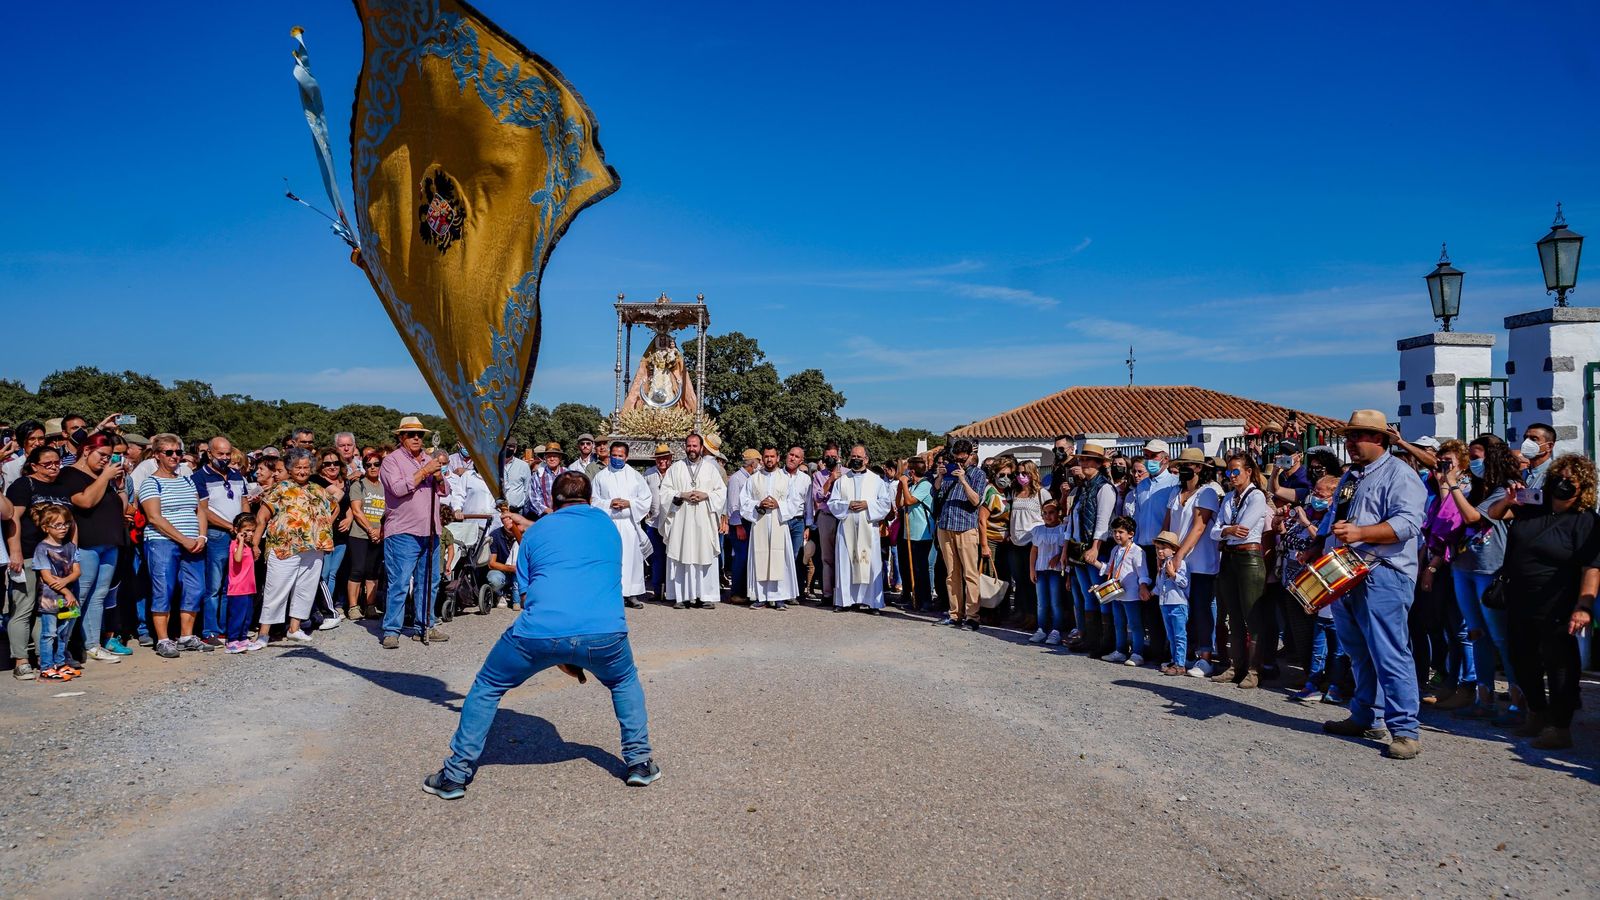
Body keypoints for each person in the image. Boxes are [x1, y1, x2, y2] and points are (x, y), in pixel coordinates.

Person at [424, 471, 659, 799]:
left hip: (538, 632)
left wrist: (526, 529)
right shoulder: (607, 525)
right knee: (623, 682)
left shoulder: (537, 533)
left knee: (488, 686)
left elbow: (524, 595)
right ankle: (639, 762)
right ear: (590, 500)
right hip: (604, 632)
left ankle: (455, 775)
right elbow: (574, 538)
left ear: (551, 501)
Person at [1318, 410, 1429, 760]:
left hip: (1383, 571)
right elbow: (1337, 518)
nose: (1350, 443)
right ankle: (1367, 714)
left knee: (1389, 650)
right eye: (1349, 437)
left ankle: (1405, 730)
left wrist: (1361, 533)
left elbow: (1409, 524)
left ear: (1379, 439)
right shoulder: (1353, 475)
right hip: (1346, 570)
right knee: (1357, 649)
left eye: (1358, 436)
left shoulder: (1401, 474)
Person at [1487, 453, 1599, 749]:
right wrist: (1509, 500)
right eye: (1558, 477)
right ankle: (1536, 712)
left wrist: (1584, 606)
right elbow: (1496, 514)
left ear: (1582, 486)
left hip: (1558, 603)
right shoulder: (1531, 507)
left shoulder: (1585, 520)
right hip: (1519, 597)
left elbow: (1592, 567)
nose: (1562, 483)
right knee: (1521, 659)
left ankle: (1560, 726)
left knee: (1560, 664)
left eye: (1570, 480)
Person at [1436, 433, 1525, 725]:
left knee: (1501, 636)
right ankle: (1483, 700)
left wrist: (1452, 486)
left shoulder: (1504, 490)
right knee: (1476, 634)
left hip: (1490, 568)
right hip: (1464, 566)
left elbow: (1474, 518)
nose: (1472, 462)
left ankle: (1517, 703)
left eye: (1476, 457)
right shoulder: (1471, 488)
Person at [136, 434, 212, 659]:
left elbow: (199, 511)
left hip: (193, 542)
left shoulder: (188, 479)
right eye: (168, 452)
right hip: (163, 542)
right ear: (157, 455)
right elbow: (154, 517)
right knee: (164, 588)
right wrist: (184, 539)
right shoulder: (151, 482)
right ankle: (163, 639)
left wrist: (202, 536)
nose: (174, 456)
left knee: (195, 587)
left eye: (178, 452)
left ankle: (186, 636)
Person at [379, 416, 452, 647]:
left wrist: (438, 477)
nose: (416, 438)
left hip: (430, 530)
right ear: (401, 437)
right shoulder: (391, 461)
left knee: (428, 582)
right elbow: (398, 489)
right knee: (399, 582)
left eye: (419, 434)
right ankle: (392, 630)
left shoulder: (428, 458)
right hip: (403, 531)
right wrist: (425, 471)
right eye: (411, 434)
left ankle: (425, 626)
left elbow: (445, 491)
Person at [251, 448, 334, 646]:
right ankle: (263, 634)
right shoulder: (280, 488)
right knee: (276, 589)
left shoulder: (318, 489)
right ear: (290, 468)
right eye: (298, 467)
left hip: (314, 547)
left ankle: (294, 628)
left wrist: (323, 527)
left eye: (306, 467)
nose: (303, 471)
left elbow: (335, 506)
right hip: (284, 547)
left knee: (306, 588)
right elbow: (262, 516)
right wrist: (255, 542)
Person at [59, 433, 129, 663]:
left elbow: (122, 508)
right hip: (86, 545)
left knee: (98, 596)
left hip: (110, 543)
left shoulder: (104, 477)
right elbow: (85, 501)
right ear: (87, 450)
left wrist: (118, 486)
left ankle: (92, 645)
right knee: (77, 596)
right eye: (102, 455)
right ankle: (62, 648)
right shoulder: (69, 474)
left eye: (109, 457)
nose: (105, 461)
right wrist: (105, 477)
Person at [1209, 452, 1270, 688]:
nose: (1231, 476)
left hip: (1248, 556)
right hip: (1230, 556)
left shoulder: (1256, 497)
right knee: (1232, 614)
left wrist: (1227, 530)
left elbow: (1244, 528)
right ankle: (1236, 665)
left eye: (1236, 471)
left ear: (1248, 472)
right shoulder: (1228, 499)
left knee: (1252, 614)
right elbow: (1215, 532)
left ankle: (1254, 670)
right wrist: (1227, 530)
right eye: (1228, 472)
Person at [1165, 447, 1222, 676]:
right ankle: (1185, 654)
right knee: (1182, 610)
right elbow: (1168, 524)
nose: (1182, 470)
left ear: (1199, 468)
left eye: (1187, 465)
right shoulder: (1175, 493)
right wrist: (1166, 549)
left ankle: (1206, 656)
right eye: (1180, 465)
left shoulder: (1206, 493)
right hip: (1177, 561)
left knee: (1201, 608)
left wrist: (1179, 555)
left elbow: (1199, 528)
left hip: (1200, 561)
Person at [658, 433, 726, 609]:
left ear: (701, 447)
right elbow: (664, 492)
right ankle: (682, 596)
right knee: (682, 553)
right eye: (689, 446)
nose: (691, 449)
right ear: (684, 447)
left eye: (695, 446)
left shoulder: (711, 469)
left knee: (704, 553)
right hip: (682, 518)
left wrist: (706, 495)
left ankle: (705, 596)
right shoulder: (676, 468)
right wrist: (682, 494)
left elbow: (721, 492)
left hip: (704, 518)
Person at [827, 444, 894, 613]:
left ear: (866, 459)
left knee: (869, 565)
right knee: (846, 563)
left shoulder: (876, 480)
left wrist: (867, 504)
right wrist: (847, 505)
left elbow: (885, 504)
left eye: (859, 457)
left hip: (868, 528)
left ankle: (871, 602)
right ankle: (845, 601)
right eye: (853, 456)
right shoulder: (842, 480)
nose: (856, 459)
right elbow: (832, 503)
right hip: (847, 528)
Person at [194, 436, 247, 646]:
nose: (224, 458)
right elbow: (203, 510)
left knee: (231, 584)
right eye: (220, 454)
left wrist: (245, 525)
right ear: (209, 454)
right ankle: (210, 630)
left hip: (237, 535)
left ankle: (226, 629)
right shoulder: (200, 477)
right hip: (217, 534)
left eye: (227, 454)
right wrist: (229, 526)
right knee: (213, 586)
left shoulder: (236, 474)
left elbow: (243, 501)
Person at [741, 445, 806, 609]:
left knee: (779, 559)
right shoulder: (753, 479)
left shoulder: (786, 479)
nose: (769, 459)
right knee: (760, 557)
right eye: (766, 456)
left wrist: (779, 504)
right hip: (760, 523)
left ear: (778, 458)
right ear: (762, 459)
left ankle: (779, 598)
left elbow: (795, 502)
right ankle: (761, 597)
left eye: (772, 456)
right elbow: (744, 501)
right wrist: (758, 504)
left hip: (779, 523)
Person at [591, 440, 653, 608]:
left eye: (620, 456)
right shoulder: (600, 477)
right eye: (614, 455)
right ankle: (611, 594)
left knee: (631, 559)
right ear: (609, 455)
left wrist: (629, 503)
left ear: (626, 457)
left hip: (628, 524)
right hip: (609, 525)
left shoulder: (635, 476)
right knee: (611, 559)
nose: (617, 458)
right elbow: (594, 500)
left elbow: (646, 498)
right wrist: (609, 503)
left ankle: (632, 594)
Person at [1068, 442, 1116, 654]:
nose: (1083, 463)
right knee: (1087, 595)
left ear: (1098, 464)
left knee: (1101, 593)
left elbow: (1103, 520)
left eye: (1088, 460)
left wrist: (1096, 547)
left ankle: (1105, 642)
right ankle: (1090, 638)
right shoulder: (1083, 488)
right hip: (1078, 547)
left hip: (1095, 548)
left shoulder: (1104, 488)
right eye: (1082, 459)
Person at [934, 439, 988, 631]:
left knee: (970, 574)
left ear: (971, 457)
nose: (958, 463)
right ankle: (955, 614)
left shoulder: (978, 475)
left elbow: (976, 501)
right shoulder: (949, 473)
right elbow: (937, 494)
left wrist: (964, 480)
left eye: (962, 460)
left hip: (966, 527)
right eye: (955, 459)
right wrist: (940, 477)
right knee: (951, 574)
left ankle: (973, 616)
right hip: (946, 526)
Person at [1133, 439, 1178, 659]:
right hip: (1143, 547)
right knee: (1147, 598)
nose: (1150, 460)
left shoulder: (1173, 484)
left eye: (1154, 456)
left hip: (1162, 549)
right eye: (1147, 455)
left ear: (1165, 458)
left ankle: (1168, 648)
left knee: (1165, 598)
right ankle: (1155, 645)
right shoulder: (1141, 486)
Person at [31, 505, 81, 682]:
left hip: (69, 599)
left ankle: (60, 663)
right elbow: (46, 576)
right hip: (50, 599)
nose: (63, 528)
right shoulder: (41, 549)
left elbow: (77, 571)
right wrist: (66, 591)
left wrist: (66, 584)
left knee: (64, 632)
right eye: (58, 525)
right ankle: (46, 667)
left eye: (66, 524)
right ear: (46, 527)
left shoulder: (70, 547)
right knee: (49, 633)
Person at [1097, 515, 1148, 665]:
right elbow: (1109, 569)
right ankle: (1120, 651)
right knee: (1118, 623)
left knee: (1135, 624)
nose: (1117, 535)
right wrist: (1095, 563)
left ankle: (1137, 654)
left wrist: (1143, 586)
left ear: (1131, 534)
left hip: (1131, 594)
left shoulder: (1137, 551)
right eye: (1115, 532)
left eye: (1121, 532)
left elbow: (1142, 572)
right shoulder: (1115, 550)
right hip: (1116, 593)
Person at [345, 449, 386, 619]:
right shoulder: (358, 485)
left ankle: (370, 605)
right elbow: (356, 510)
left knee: (373, 571)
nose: (372, 468)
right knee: (357, 570)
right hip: (360, 534)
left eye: (376, 464)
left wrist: (380, 531)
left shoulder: (386, 486)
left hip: (380, 533)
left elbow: (390, 511)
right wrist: (370, 530)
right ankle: (353, 606)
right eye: (368, 465)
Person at [1027, 499, 1068, 645]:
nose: (1048, 516)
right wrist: (1032, 569)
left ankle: (1056, 630)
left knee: (1056, 601)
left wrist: (1058, 557)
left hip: (1055, 571)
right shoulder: (1038, 530)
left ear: (1058, 513)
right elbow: (1034, 550)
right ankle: (1041, 629)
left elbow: (1065, 548)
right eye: (1045, 513)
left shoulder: (1062, 529)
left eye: (1051, 513)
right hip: (1041, 569)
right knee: (1041, 602)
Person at [899, 455, 935, 613]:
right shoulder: (913, 485)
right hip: (909, 533)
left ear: (912, 471)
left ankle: (925, 600)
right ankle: (916, 598)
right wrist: (901, 487)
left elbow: (909, 501)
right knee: (912, 567)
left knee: (921, 568)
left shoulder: (925, 485)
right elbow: (900, 503)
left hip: (922, 534)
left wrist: (905, 485)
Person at [1151, 530, 1190, 675]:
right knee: (1171, 635)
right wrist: (1152, 593)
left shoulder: (1180, 563)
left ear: (1173, 549)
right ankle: (1175, 660)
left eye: (1163, 548)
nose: (1160, 551)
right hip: (1165, 604)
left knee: (1180, 635)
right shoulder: (1161, 566)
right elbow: (1160, 585)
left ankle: (1180, 664)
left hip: (1178, 603)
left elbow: (1185, 583)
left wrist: (1173, 575)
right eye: (1157, 548)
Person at [811, 442, 844, 605]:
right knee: (827, 557)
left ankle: (843, 593)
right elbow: (817, 497)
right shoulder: (818, 475)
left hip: (844, 518)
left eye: (833, 456)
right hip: (827, 516)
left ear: (839, 457)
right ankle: (827, 593)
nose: (830, 459)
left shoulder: (847, 473)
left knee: (843, 556)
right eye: (827, 457)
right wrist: (830, 480)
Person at [725, 449, 759, 603]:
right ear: (753, 463)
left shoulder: (751, 478)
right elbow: (733, 505)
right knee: (741, 558)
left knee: (747, 558)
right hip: (739, 524)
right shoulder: (736, 479)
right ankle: (736, 592)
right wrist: (738, 526)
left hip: (748, 522)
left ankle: (745, 590)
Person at [642, 443, 673, 603]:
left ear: (670, 459)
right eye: (659, 458)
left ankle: (671, 591)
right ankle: (656, 589)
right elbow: (642, 495)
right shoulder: (648, 474)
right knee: (656, 557)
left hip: (672, 522)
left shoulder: (675, 473)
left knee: (672, 557)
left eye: (665, 458)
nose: (662, 461)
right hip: (653, 523)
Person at [225, 513, 258, 653]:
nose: (250, 533)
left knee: (247, 616)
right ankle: (232, 640)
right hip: (238, 588)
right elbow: (237, 559)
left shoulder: (248, 546)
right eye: (247, 531)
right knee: (237, 616)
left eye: (252, 531)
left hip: (249, 587)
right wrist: (240, 541)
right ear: (237, 530)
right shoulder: (235, 545)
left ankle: (243, 638)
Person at [1516, 422, 1556, 489]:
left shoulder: (1555, 475)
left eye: (1534, 439)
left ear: (1549, 446)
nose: (1526, 442)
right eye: (1525, 438)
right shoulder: (1521, 475)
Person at [502, 440, 532, 518]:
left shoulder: (523, 466)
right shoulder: (494, 464)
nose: (507, 448)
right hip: (498, 510)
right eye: (505, 446)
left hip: (517, 511)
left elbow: (527, 489)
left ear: (515, 449)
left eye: (510, 446)